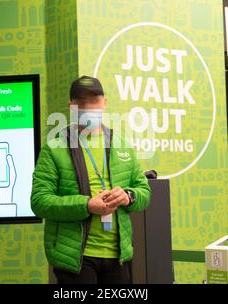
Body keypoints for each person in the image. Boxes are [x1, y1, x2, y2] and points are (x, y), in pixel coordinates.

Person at [31, 76, 151, 284]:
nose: (88, 107)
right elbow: (39, 202)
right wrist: (86, 205)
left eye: (93, 100)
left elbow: (144, 191)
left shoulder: (121, 145)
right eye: (81, 102)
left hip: (118, 256)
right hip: (76, 259)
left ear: (104, 102)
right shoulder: (54, 148)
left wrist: (128, 196)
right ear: (71, 106)